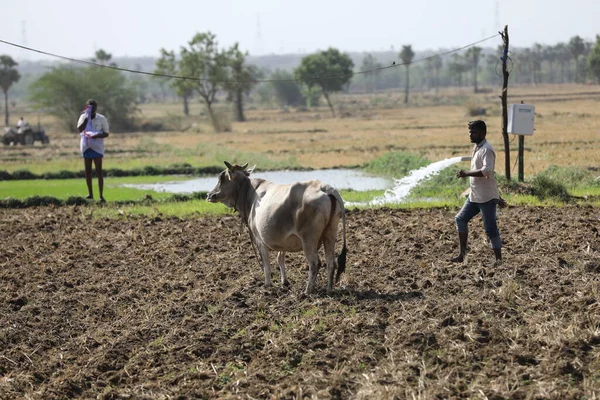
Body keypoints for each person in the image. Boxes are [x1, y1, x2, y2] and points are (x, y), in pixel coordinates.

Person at [451, 120, 504, 266]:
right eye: (470, 132)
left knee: (490, 228)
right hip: (475, 196)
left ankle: (498, 260)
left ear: (482, 133)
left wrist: (466, 173)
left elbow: (487, 171)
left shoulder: (487, 149)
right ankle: (462, 254)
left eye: (473, 132)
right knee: (460, 219)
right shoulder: (477, 148)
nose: (471, 135)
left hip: (486, 198)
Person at [77, 99, 109, 202]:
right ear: (87, 108)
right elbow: (79, 129)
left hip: (97, 147)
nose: (92, 109)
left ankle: (101, 195)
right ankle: (90, 194)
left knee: (99, 171)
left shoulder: (101, 118)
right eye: (90, 107)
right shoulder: (83, 117)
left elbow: (106, 133)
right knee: (88, 171)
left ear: (96, 108)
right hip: (86, 146)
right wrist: (86, 120)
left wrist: (98, 135)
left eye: (93, 107)